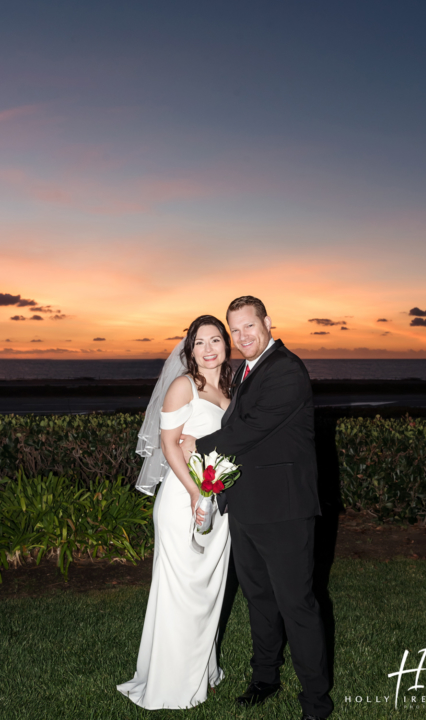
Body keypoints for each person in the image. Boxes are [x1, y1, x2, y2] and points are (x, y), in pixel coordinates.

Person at [180, 296, 334, 720]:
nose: (242, 336)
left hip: (284, 511)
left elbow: (252, 428)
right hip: (245, 507)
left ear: (268, 322)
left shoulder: (286, 369)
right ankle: (264, 678)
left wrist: (200, 445)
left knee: (296, 605)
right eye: (236, 330)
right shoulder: (246, 370)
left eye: (249, 326)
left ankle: (316, 703)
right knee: (260, 600)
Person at [117, 315, 232, 710]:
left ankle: (202, 669)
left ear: (225, 345)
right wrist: (192, 493)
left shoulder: (232, 388)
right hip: (184, 499)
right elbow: (169, 445)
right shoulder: (183, 386)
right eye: (200, 342)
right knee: (181, 591)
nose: (208, 349)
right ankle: (173, 683)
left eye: (215, 340)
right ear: (189, 349)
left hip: (218, 499)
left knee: (208, 591)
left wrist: (211, 491)